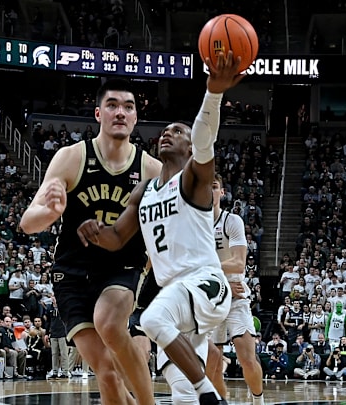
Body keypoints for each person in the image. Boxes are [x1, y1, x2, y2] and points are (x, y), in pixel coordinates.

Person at [77, 51, 244, 404]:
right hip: (175, 298)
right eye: (165, 130)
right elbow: (118, 237)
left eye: (178, 131)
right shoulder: (145, 189)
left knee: (152, 319)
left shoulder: (195, 179)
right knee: (180, 390)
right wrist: (93, 230)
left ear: (189, 146)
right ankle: (201, 394)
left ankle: (212, 395)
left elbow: (204, 137)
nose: (168, 133)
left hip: (203, 283)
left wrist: (213, 92)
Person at [20, 78, 161, 405]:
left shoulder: (151, 169)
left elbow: (160, 232)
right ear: (98, 114)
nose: (121, 112)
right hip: (72, 272)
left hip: (122, 267)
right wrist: (53, 212)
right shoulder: (71, 158)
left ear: (136, 118)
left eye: (128, 107)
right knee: (106, 372)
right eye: (112, 105)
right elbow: (28, 223)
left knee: (109, 322)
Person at [206, 173, 264, 404]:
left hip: (235, 296)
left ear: (222, 192)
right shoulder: (193, 224)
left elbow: (239, 263)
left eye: (214, 186)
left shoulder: (231, 221)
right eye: (205, 186)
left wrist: (208, 269)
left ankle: (258, 400)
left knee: (247, 358)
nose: (209, 191)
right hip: (208, 297)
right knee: (212, 363)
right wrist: (219, 280)